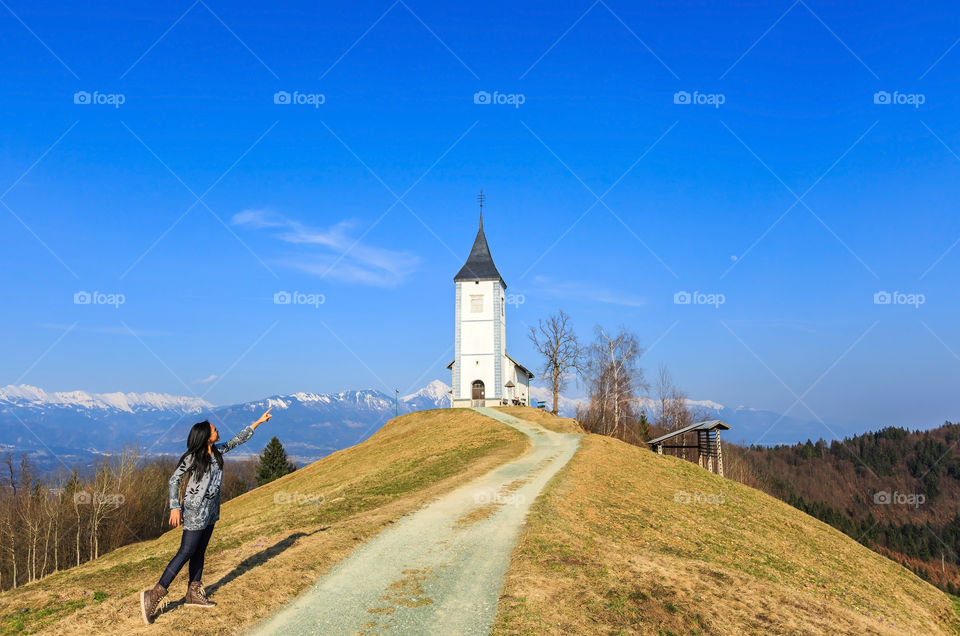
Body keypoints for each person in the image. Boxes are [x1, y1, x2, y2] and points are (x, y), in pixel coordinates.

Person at [140, 408, 273, 624]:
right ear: (205, 436)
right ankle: (154, 595)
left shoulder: (218, 452)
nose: (217, 429)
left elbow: (237, 440)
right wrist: (175, 507)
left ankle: (193, 593)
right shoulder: (192, 457)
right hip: (193, 511)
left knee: (199, 551)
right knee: (186, 551)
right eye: (214, 429)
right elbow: (174, 480)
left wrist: (258, 422)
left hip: (211, 511)